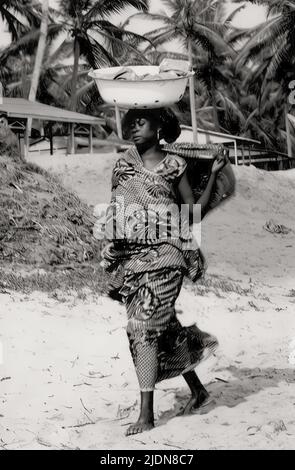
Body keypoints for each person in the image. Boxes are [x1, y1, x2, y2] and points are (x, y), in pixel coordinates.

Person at [100, 108, 227, 436]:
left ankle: (147, 415)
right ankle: (198, 390)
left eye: (141, 122)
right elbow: (117, 210)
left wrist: (212, 173)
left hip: (169, 253)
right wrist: (113, 249)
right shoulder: (122, 165)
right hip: (133, 257)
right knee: (161, 329)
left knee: (142, 326)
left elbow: (192, 213)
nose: (133, 129)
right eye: (130, 124)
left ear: (159, 127)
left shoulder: (175, 165)